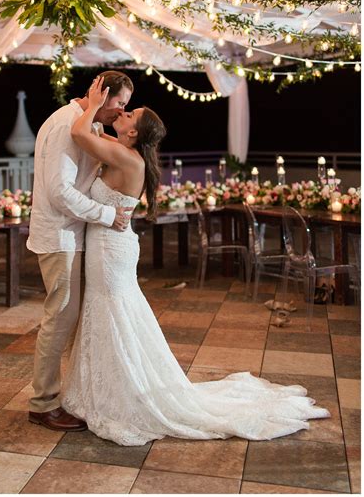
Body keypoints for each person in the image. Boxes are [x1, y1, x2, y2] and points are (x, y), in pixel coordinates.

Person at [61, 76, 330, 446]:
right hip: (109, 245)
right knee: (110, 313)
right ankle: (111, 387)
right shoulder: (124, 149)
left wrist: (92, 104)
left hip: (110, 250)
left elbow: (79, 134)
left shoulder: (126, 156)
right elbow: (89, 131)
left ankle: (124, 393)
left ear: (134, 135)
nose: (122, 112)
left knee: (112, 313)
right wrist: (92, 108)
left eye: (130, 113)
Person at [27, 71, 135, 432]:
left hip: (75, 234)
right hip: (60, 237)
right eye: (120, 103)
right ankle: (43, 404)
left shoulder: (85, 124)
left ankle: (72, 395)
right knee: (59, 320)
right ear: (102, 94)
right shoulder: (65, 125)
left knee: (71, 319)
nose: (122, 112)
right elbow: (60, 192)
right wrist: (107, 215)